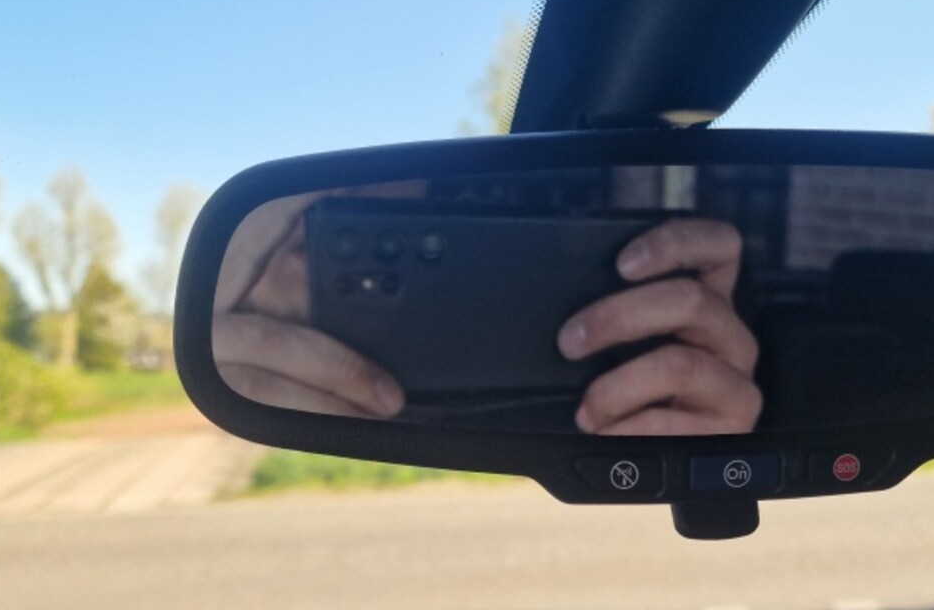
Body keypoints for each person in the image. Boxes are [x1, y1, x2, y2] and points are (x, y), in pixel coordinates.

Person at [212, 182, 761, 435]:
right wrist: (212, 366)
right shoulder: (226, 369)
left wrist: (696, 464)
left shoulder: (537, 409)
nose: (332, 194)